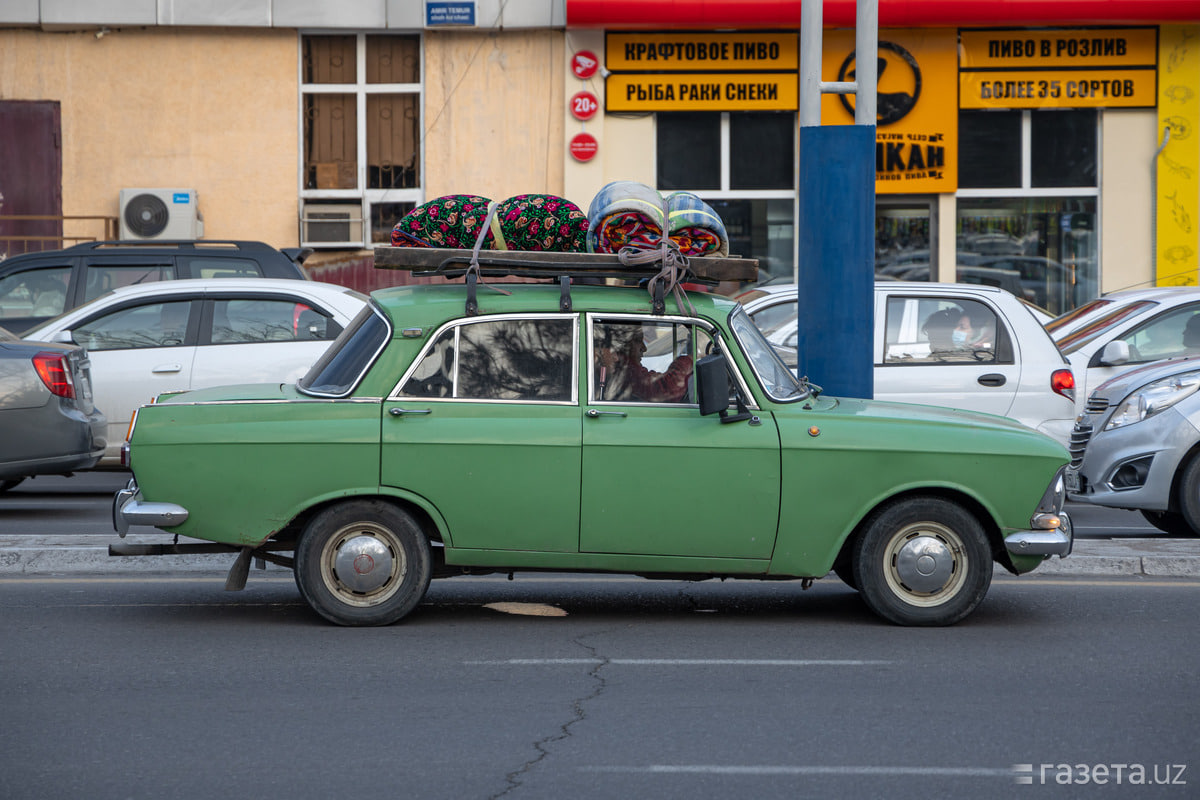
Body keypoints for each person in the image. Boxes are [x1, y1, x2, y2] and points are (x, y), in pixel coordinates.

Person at [595, 324, 693, 403]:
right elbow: (664, 390)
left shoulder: (625, 369)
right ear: (617, 349)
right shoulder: (624, 369)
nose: (644, 348)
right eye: (637, 341)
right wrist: (690, 359)